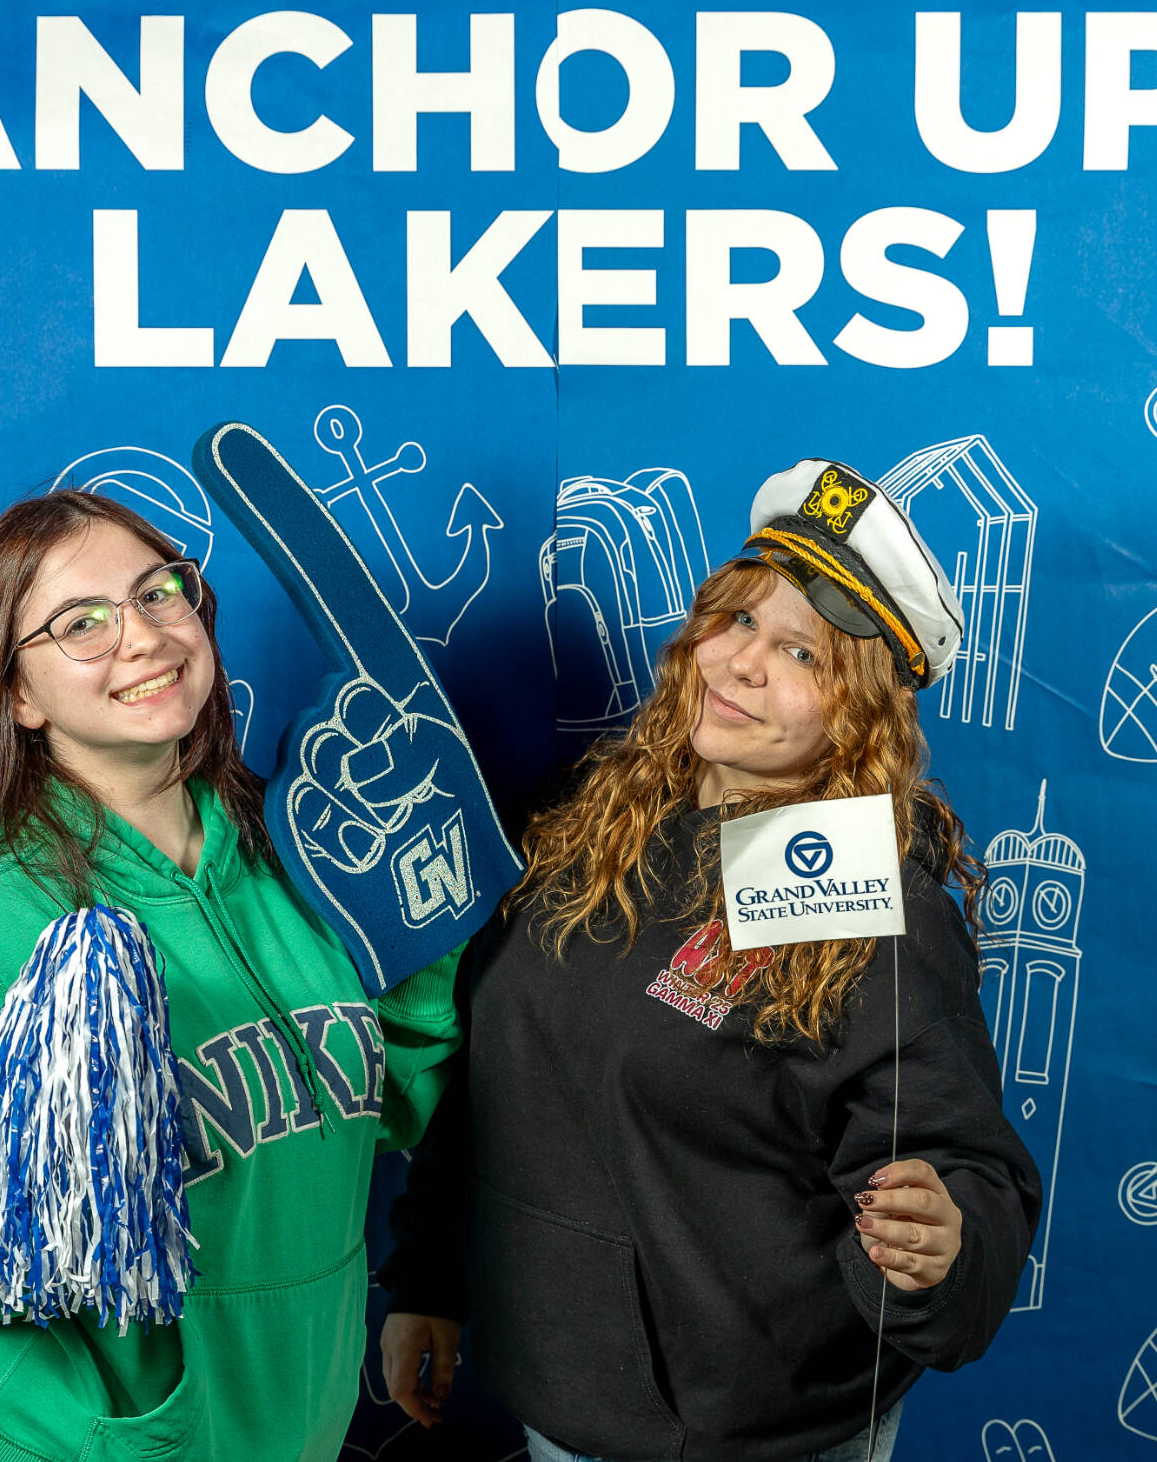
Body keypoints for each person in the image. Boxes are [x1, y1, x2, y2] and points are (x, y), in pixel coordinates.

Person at [377, 459, 1042, 1462]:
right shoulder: (592, 826)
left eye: (800, 654)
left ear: (856, 711)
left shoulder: (865, 899)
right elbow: (499, 1079)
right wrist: (429, 1280)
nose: (738, 665)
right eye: (734, 622)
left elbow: (960, 1164)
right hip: (557, 1395)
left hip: (750, 1432)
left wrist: (942, 1247)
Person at [0, 491, 463, 1462]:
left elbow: (397, 1105)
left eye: (157, 593)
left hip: (282, 1431)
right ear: (17, 694)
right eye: (80, 623)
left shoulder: (303, 856)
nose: (140, 637)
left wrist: (431, 917)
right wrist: (54, 1216)